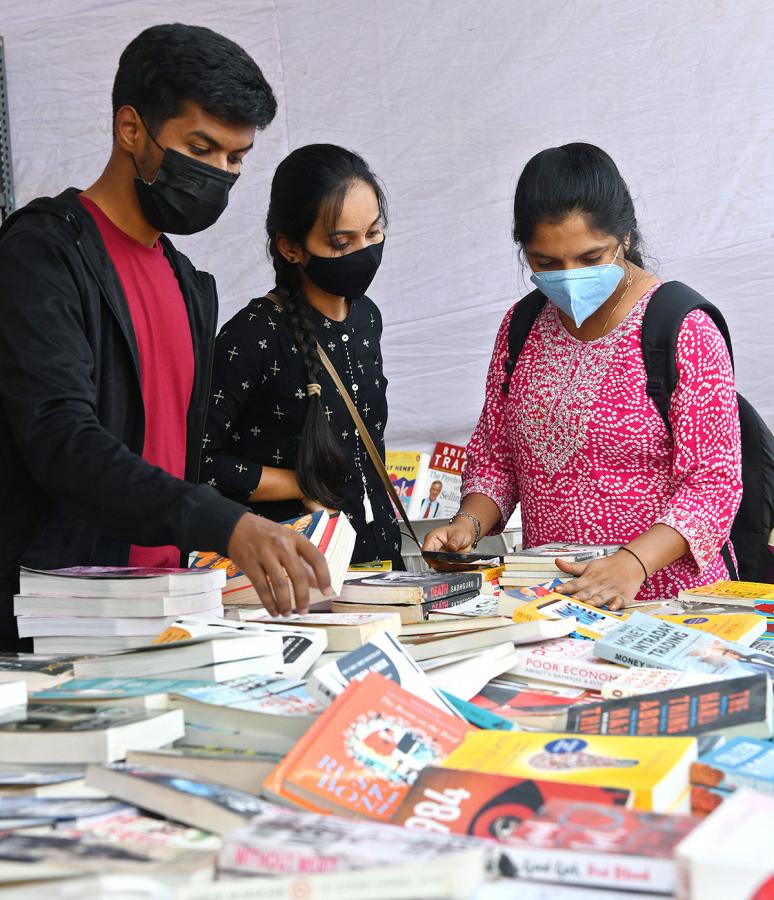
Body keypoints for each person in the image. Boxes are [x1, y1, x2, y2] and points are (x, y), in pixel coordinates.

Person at [0, 24, 332, 646]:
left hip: (166, 620)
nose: (218, 174)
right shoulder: (43, 255)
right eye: (201, 148)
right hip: (55, 621)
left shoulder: (188, 284)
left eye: (234, 158)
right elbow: (61, 439)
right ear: (131, 129)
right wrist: (226, 523)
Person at [425, 143, 743, 609]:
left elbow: (714, 482)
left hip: (666, 603)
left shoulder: (681, 328)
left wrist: (632, 563)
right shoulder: (521, 327)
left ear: (626, 237)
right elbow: (497, 455)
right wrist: (467, 524)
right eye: (546, 263)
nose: (568, 276)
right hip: (554, 603)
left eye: (591, 258)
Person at [202, 144, 402, 567]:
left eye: (373, 233)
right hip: (296, 572)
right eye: (340, 241)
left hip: (380, 564)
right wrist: (300, 485)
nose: (363, 251)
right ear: (292, 247)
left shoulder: (367, 317)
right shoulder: (253, 333)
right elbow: (200, 462)